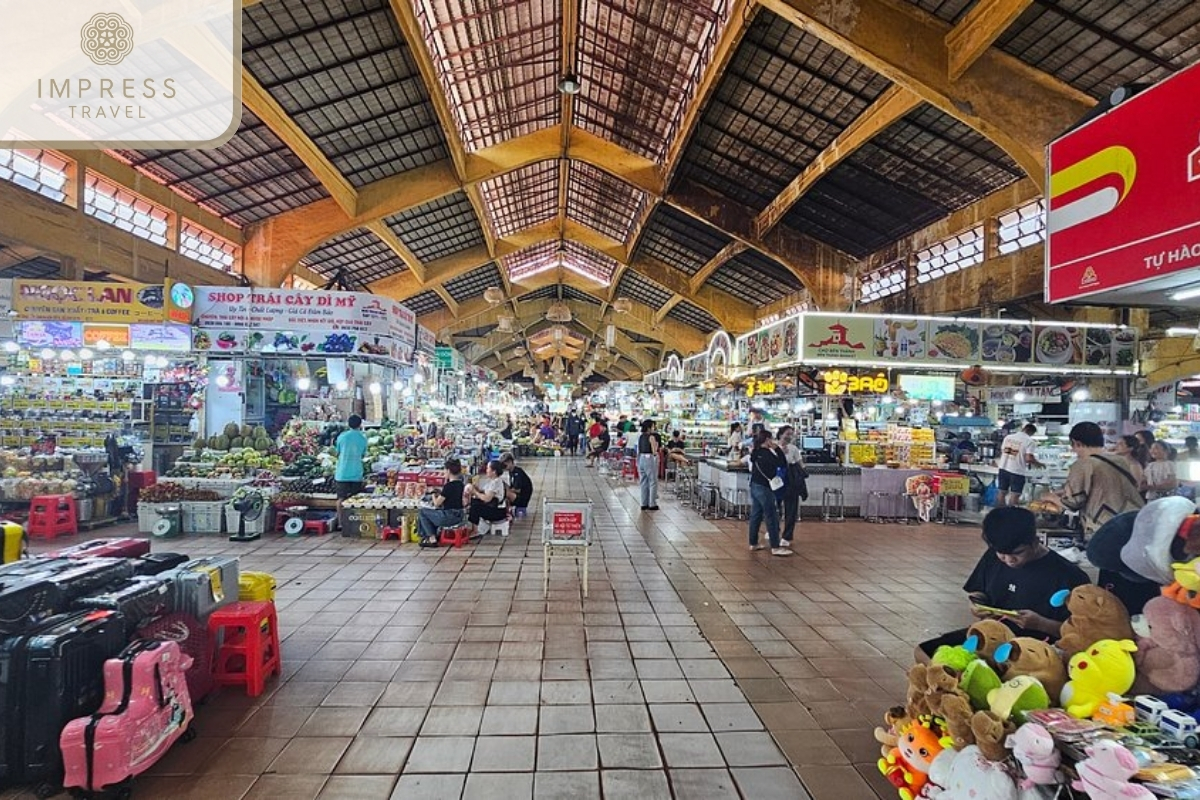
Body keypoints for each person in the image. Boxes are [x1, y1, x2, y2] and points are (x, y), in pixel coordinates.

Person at [915, 507, 1090, 662]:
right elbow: (980, 592)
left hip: (1033, 650)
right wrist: (977, 604)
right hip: (989, 636)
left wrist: (1040, 624)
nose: (1008, 560)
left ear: (1035, 542)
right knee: (924, 653)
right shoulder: (993, 556)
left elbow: (1081, 635)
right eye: (1002, 554)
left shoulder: (1068, 576)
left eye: (1017, 553)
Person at [1043, 422, 1144, 539]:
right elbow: (1104, 486)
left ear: (1077, 443)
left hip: (1105, 527)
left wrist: (1049, 497)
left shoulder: (1083, 464)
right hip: (1131, 521)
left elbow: (1073, 503)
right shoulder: (1121, 460)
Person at [747, 429, 791, 556]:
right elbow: (782, 463)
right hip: (765, 488)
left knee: (756, 515)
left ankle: (753, 543)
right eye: (771, 439)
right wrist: (777, 449)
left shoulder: (755, 453)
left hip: (754, 486)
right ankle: (775, 546)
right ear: (767, 440)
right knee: (771, 516)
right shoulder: (767, 453)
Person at [418, 458, 465, 541]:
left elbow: (437, 503)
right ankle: (434, 535)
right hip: (459, 515)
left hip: (448, 517)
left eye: (444, 470)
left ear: (448, 471)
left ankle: (432, 538)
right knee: (432, 513)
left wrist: (432, 493)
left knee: (423, 512)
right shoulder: (460, 484)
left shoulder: (448, 486)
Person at [995, 423, 1042, 507]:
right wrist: (1038, 464)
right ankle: (1011, 516)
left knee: (1001, 492)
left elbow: (1005, 451)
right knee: (1015, 494)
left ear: (1023, 429)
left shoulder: (1008, 437)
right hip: (1017, 471)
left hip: (1003, 468)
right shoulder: (1029, 441)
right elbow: (1028, 458)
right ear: (1031, 432)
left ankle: (1000, 514)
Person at [776, 425, 806, 546]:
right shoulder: (774, 447)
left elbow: (801, 464)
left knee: (791, 509)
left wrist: (803, 474)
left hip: (791, 481)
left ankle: (787, 536)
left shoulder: (794, 449)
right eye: (787, 434)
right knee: (774, 507)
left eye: (791, 434)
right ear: (781, 434)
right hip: (777, 481)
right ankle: (774, 530)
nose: (789, 437)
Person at [335, 414, 368, 513]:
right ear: (360, 424)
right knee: (356, 500)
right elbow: (362, 455)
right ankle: (354, 522)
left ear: (348, 424)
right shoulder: (363, 438)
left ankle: (341, 524)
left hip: (342, 473)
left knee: (341, 499)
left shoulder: (342, 436)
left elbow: (338, 452)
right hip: (356, 473)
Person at [467, 459, 509, 534]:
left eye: (488, 468)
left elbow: (487, 499)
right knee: (474, 501)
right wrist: (476, 489)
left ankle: (475, 531)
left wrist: (475, 492)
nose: (486, 470)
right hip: (494, 507)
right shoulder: (492, 481)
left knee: (475, 507)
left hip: (497, 512)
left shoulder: (496, 483)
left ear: (494, 471)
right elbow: (484, 492)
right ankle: (474, 528)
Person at [637, 419, 660, 511]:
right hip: (649, 458)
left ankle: (644, 503)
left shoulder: (641, 437)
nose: (654, 428)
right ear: (649, 427)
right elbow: (654, 450)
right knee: (653, 481)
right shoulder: (651, 437)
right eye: (653, 426)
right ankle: (652, 503)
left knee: (643, 481)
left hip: (641, 458)